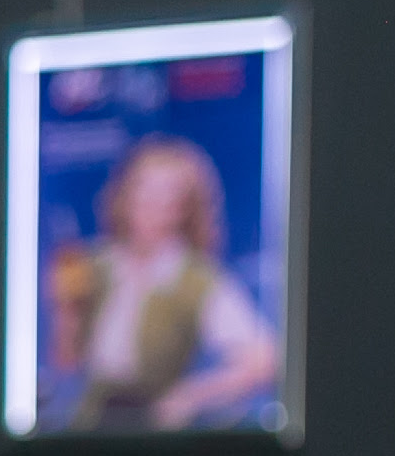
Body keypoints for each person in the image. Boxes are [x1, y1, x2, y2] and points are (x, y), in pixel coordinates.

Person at [48, 133, 280, 433]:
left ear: (185, 208)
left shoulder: (196, 279)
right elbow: (67, 360)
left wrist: (189, 397)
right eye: (143, 187)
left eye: (167, 193)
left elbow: (264, 360)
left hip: (155, 431)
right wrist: (67, 313)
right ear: (125, 193)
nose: (151, 203)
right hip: (90, 427)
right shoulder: (94, 265)